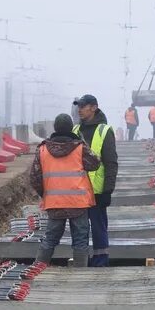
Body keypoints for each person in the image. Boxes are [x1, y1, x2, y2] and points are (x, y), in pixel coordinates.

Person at [29, 113, 101, 267]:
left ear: (55, 128)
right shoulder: (80, 148)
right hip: (78, 203)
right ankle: (80, 274)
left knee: (50, 239)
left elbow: (34, 178)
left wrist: (46, 194)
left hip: (54, 203)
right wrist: (83, 142)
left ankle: (37, 269)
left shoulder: (42, 150)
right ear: (71, 128)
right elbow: (95, 164)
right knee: (80, 240)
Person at [72, 94, 118, 267]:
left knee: (98, 228)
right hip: (77, 190)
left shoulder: (104, 131)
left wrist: (108, 190)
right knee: (79, 229)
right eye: (79, 106)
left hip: (97, 191)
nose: (79, 109)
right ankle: (82, 261)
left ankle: (100, 261)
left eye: (83, 106)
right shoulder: (75, 131)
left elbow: (111, 163)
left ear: (94, 107)